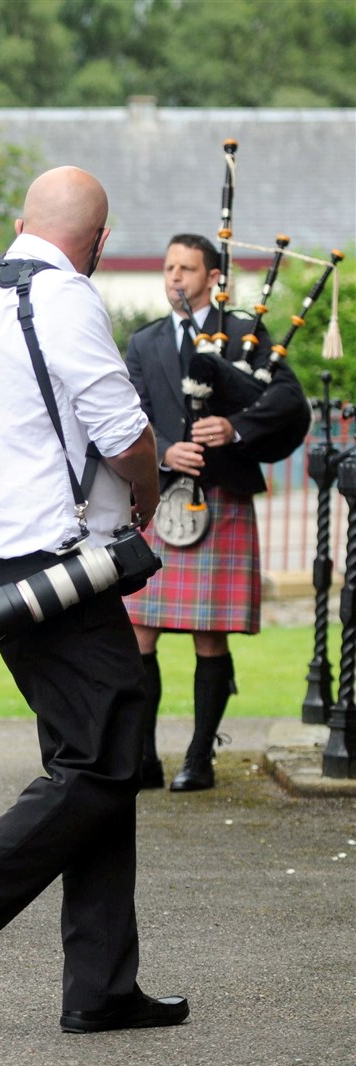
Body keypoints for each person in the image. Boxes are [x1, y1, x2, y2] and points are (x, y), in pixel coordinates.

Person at [0, 167, 188, 1033]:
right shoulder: (65, 300)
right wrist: (142, 491)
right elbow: (123, 431)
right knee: (106, 758)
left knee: (93, 758)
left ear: (22, 221)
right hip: (54, 566)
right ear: (96, 242)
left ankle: (99, 987)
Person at [123, 235, 310, 792]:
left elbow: (286, 401)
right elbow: (126, 411)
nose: (175, 276)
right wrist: (161, 450)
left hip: (220, 495)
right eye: (168, 266)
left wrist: (234, 428)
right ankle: (143, 757)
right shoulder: (145, 340)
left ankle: (199, 758)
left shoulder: (245, 336)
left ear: (212, 277)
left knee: (210, 637)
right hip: (159, 498)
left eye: (187, 268)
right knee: (139, 631)